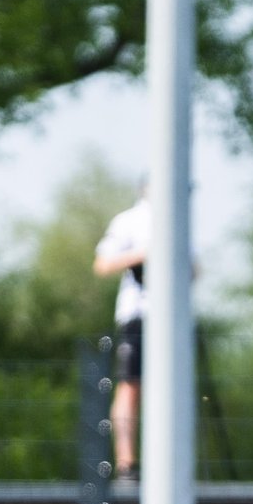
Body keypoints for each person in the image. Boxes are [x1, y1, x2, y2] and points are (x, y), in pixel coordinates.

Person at [92, 184, 148, 478]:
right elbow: (102, 264)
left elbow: (196, 268)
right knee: (130, 386)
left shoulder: (181, 218)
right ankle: (127, 465)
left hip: (173, 319)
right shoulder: (129, 221)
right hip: (137, 316)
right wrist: (143, 256)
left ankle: (171, 459)